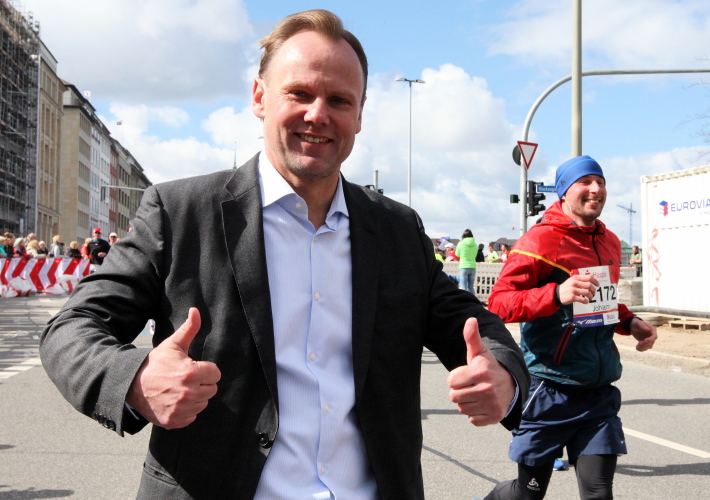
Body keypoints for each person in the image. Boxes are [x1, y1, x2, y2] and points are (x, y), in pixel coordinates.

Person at [39, 10, 528, 500]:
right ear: (260, 97)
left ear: (359, 115)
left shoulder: (397, 229)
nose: (318, 114)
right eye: (299, 93)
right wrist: (135, 379)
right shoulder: (180, 212)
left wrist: (504, 374)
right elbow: (73, 327)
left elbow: (470, 324)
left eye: (339, 100)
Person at [481, 155, 658, 500]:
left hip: (598, 392)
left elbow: (601, 301)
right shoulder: (540, 241)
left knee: (598, 493)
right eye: (585, 182)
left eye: (601, 182)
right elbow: (499, 303)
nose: (596, 189)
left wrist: (630, 322)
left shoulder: (609, 241)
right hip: (549, 389)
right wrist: (555, 294)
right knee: (527, 494)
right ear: (564, 191)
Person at [457, 229, 478, 295]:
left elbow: (457, 254)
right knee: (471, 287)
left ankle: (464, 300)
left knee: (464, 287)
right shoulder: (475, 244)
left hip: (463, 266)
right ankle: (473, 300)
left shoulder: (461, 243)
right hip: (472, 266)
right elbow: (475, 254)